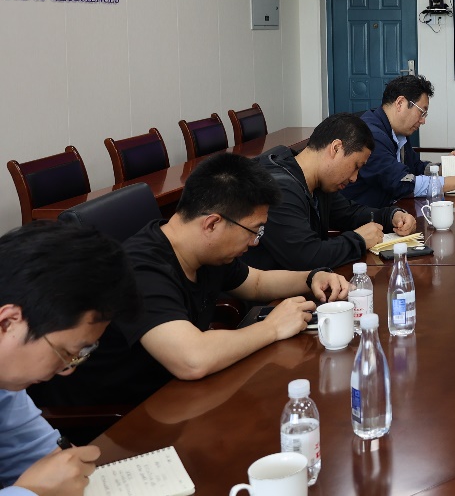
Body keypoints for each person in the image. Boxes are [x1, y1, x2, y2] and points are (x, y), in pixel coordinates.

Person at [30, 153, 349, 411]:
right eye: (254, 231)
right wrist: (272, 328)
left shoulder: (204, 252)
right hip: (122, 418)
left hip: (178, 396)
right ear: (212, 224)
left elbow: (256, 282)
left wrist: (311, 277)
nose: (255, 243)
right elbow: (192, 359)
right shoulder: (140, 269)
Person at [0, 221, 138, 496]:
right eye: (65, 352)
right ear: (8, 322)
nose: (67, 369)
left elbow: (38, 454)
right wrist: (31, 491)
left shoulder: (8, 385)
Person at [249, 113, 418, 271]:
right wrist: (359, 240)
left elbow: (350, 214)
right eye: (356, 166)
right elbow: (306, 257)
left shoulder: (318, 182)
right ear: (336, 148)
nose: (354, 178)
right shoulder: (279, 189)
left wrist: (391, 216)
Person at [342, 75, 455, 208]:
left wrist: (447, 167)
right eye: (421, 112)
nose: (423, 121)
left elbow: (416, 167)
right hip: (367, 217)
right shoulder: (370, 135)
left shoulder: (398, 131)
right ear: (400, 103)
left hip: (393, 209)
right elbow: (402, 183)